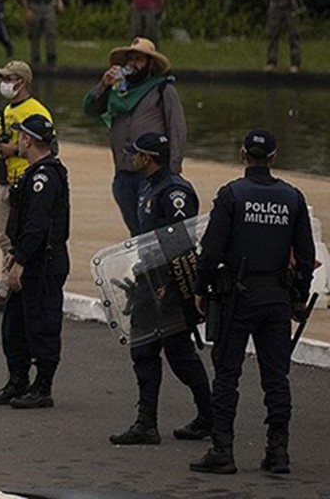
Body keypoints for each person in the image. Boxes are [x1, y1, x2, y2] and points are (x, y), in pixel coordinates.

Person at [190, 129, 315, 476]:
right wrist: (299, 296)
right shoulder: (292, 198)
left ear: (243, 154)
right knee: (276, 377)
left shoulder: (232, 195)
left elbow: (211, 249)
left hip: (237, 298)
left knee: (227, 375)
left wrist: (200, 288)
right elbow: (305, 255)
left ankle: (222, 449)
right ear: (273, 159)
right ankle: (278, 452)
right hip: (276, 297)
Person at [108, 132, 213, 446]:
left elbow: (180, 243)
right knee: (146, 351)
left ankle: (205, 416)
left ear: (150, 158)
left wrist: (166, 284)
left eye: (137, 154)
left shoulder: (175, 192)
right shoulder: (146, 185)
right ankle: (148, 422)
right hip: (147, 279)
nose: (132, 158)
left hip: (166, 285)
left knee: (176, 354)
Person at [0, 114, 69, 410]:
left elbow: (38, 224)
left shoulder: (45, 177)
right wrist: (14, 252)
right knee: (15, 325)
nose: (17, 140)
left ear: (28, 140)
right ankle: (17, 380)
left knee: (42, 322)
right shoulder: (34, 172)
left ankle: (42, 385)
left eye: (20, 136)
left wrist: (20, 260)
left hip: (42, 261)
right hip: (27, 255)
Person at [83, 38, 187, 236]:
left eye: (138, 59)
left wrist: (173, 170)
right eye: (129, 59)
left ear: (150, 64)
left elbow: (178, 130)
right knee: (136, 230)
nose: (132, 64)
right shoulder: (117, 91)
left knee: (153, 230)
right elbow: (91, 108)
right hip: (124, 172)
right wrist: (103, 85)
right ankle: (142, 265)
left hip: (153, 173)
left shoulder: (163, 89)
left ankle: (156, 266)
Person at [0, 61, 53, 314]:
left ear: (21, 81)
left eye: (9, 78)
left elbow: (50, 146)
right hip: (4, 181)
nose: (4, 83)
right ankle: (7, 287)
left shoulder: (36, 110)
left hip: (26, 180)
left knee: (22, 236)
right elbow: (0, 151)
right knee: (5, 238)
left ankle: (10, 288)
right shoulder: (6, 111)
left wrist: (16, 148)